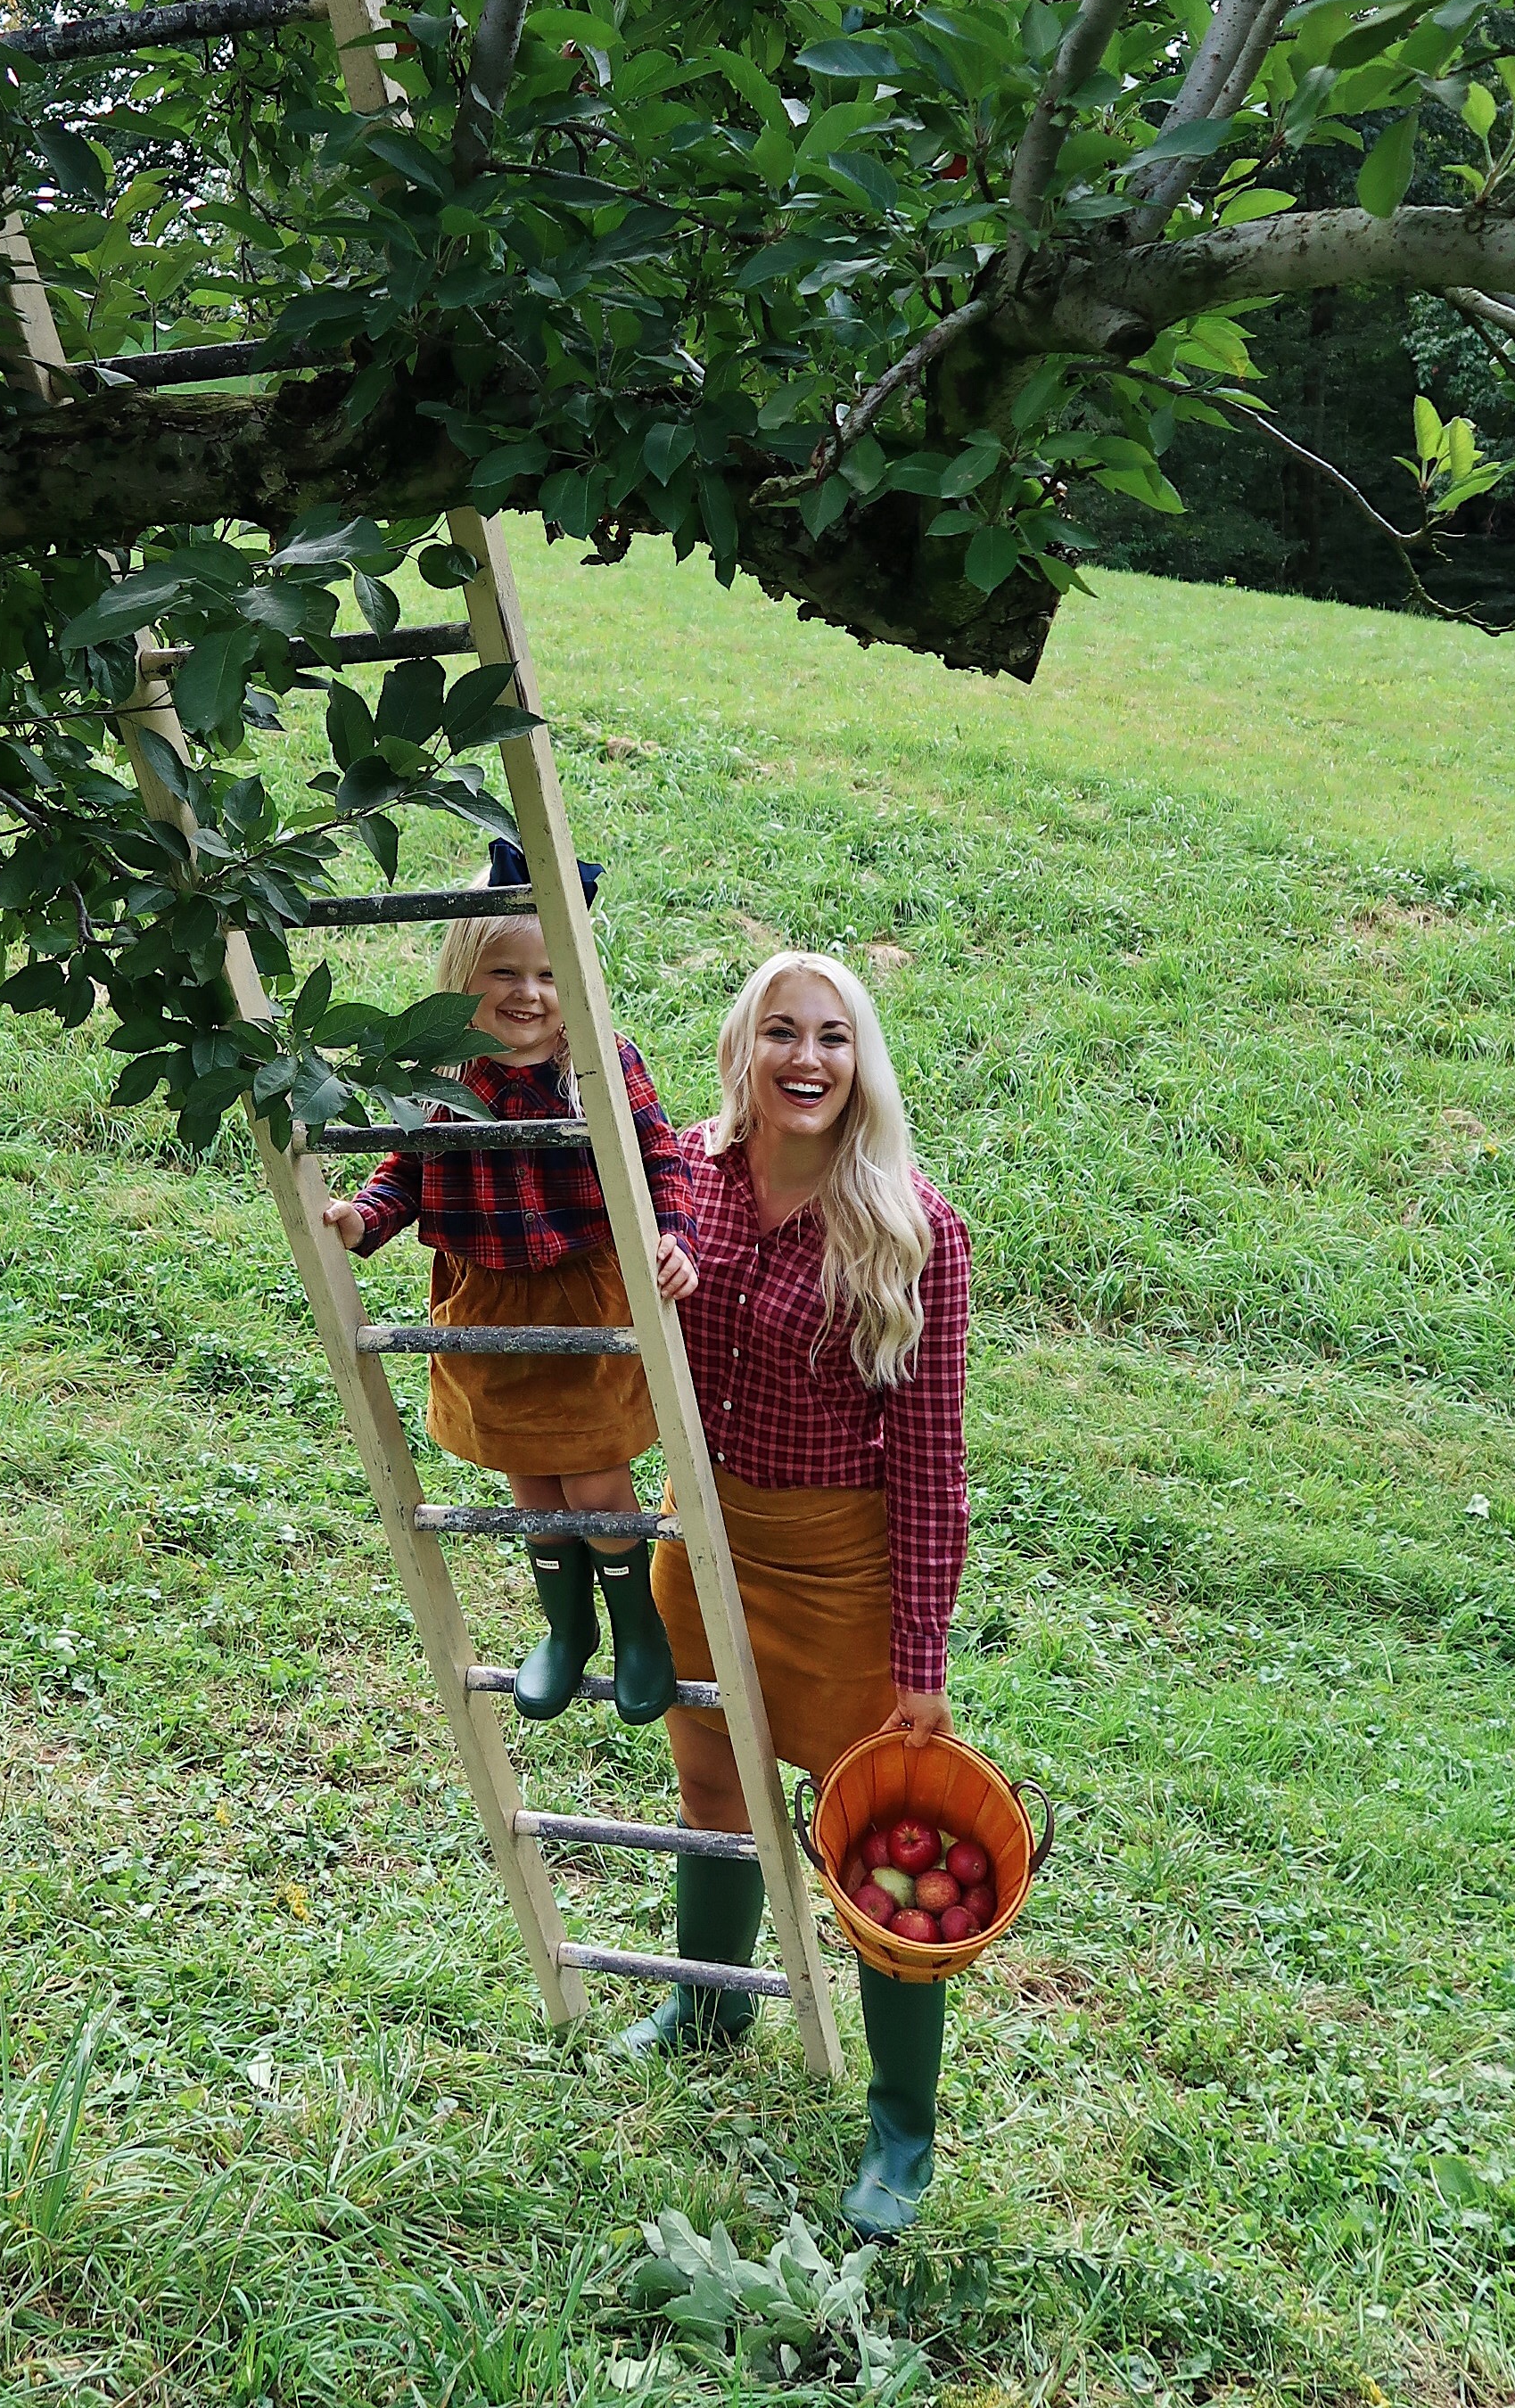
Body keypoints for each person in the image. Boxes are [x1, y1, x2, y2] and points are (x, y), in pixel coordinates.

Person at [621, 950, 969, 2242]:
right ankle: (712, 2003)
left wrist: (921, 1652)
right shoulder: (684, 1185)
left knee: (875, 1838)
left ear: (861, 1060)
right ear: (743, 1049)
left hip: (841, 1574)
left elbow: (934, 1465)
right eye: (781, 1032)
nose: (806, 1059)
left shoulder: (911, 1225)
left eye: (832, 1036)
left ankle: (901, 2127)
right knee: (711, 1788)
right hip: (699, 1541)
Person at [323, 842, 698, 1725]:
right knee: (529, 1482)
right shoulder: (445, 1074)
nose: (528, 994)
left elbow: (659, 1160)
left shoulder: (599, 1063)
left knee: (596, 1478)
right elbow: (404, 1175)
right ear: (463, 975)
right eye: (503, 971)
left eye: (548, 972)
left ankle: (636, 1625)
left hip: (581, 1306)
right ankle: (566, 1631)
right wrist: (361, 1219)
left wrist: (674, 1236)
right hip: (482, 1308)